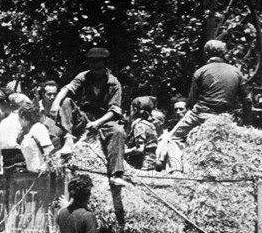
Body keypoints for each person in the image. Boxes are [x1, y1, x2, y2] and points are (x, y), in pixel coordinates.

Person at [160, 40, 253, 170]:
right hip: (224, 117)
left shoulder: (201, 71)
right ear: (224, 53)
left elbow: (191, 101)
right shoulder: (236, 72)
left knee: (172, 139)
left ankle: (175, 170)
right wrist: (247, 123)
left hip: (201, 114)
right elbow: (247, 100)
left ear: (207, 53)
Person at [50, 47, 127, 186]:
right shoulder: (83, 76)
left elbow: (115, 110)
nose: (95, 71)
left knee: (118, 131)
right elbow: (67, 89)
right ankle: (68, 139)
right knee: (66, 101)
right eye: (93, 67)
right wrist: (55, 104)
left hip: (104, 119)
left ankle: (116, 174)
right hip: (84, 117)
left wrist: (99, 122)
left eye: (99, 67)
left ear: (104, 66)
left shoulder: (114, 83)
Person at [17, 105, 54, 173]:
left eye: (20, 118)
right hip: (32, 173)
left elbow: (48, 150)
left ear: (24, 118)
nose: (18, 120)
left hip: (42, 174)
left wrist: (45, 167)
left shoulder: (39, 128)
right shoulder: (28, 132)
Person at [125, 97, 158, 171]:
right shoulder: (149, 125)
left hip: (141, 166)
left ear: (135, 110)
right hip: (150, 163)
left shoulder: (139, 126)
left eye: (131, 109)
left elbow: (139, 149)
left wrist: (123, 152)